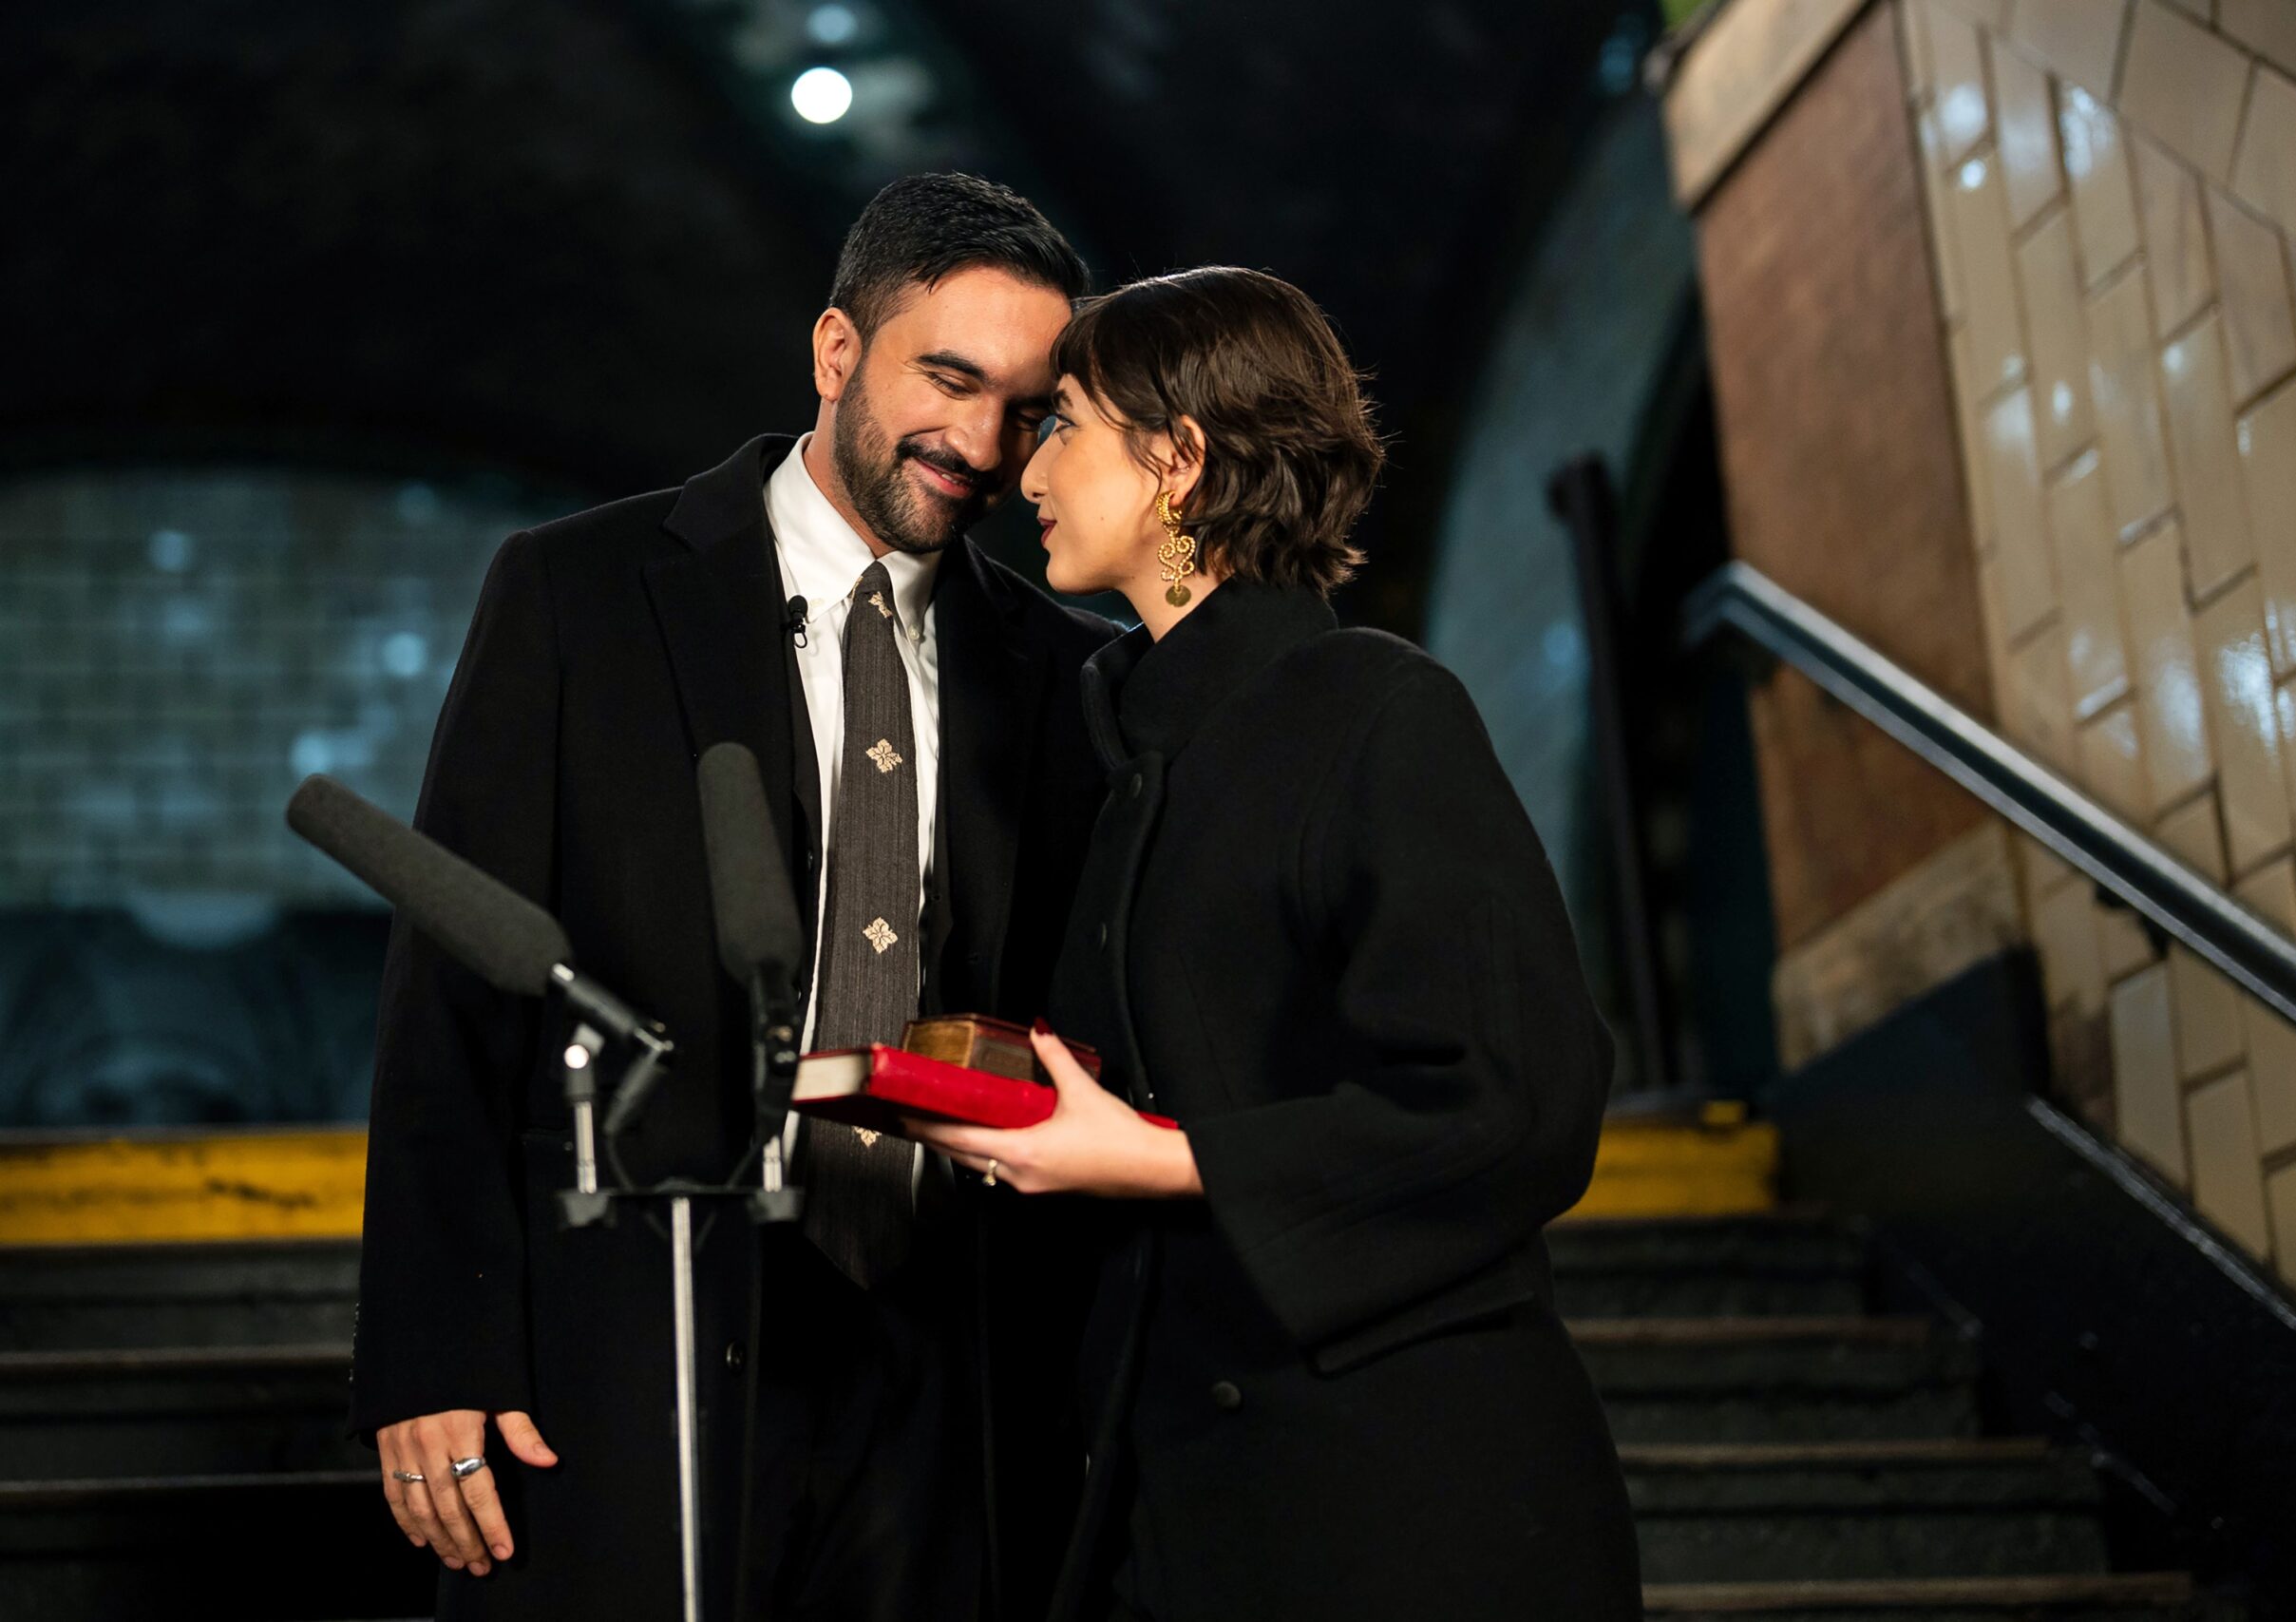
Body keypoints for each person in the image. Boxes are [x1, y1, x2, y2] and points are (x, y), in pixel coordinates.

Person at [350, 172, 1117, 1621]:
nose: (983, 442)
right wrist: (435, 1350)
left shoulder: (1070, 668)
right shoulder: (577, 593)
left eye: (1028, 407)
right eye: (947, 377)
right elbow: (456, 981)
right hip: (634, 1340)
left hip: (949, 1376)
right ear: (838, 352)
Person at [907, 266, 1644, 1622]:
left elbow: (1525, 1098)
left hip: (1400, 1508)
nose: (1028, 471)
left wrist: (1149, 1157)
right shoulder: (1120, 743)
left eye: (1064, 423)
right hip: (1178, 1491)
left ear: (1180, 458)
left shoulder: (1375, 711)